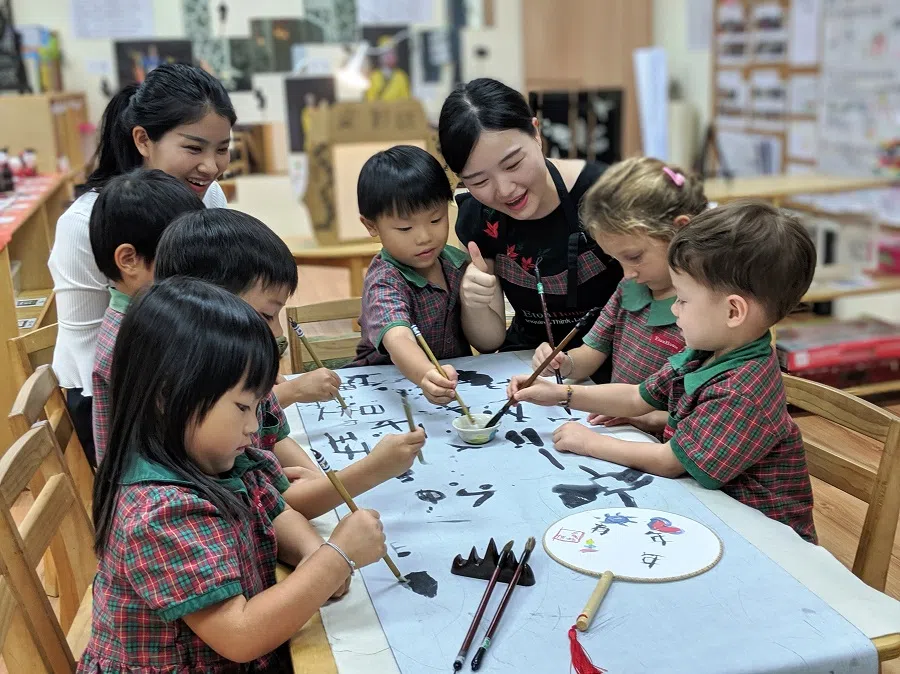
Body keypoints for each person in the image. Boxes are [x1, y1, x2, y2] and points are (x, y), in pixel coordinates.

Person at [79, 277, 388, 672]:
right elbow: (240, 635)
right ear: (167, 397)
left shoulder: (217, 453)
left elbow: (275, 513)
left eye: (260, 405)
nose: (254, 427)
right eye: (243, 407)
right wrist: (337, 558)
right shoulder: (159, 511)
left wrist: (314, 554)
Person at [508, 200, 817, 543]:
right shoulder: (705, 352)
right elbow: (636, 395)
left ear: (733, 311)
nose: (674, 308)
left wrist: (590, 442)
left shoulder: (743, 388)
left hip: (764, 536)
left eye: (683, 300)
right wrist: (560, 394)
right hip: (710, 509)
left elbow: (669, 462)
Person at [155, 209, 426, 520]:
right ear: (207, 309)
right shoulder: (206, 421)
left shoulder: (246, 388)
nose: (278, 333)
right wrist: (374, 468)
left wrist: (320, 480)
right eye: (266, 315)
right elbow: (286, 505)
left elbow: (278, 445)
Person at [49, 63, 235, 463]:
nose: (211, 166)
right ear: (143, 140)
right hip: (115, 397)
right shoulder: (84, 223)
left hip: (190, 372)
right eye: (193, 148)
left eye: (222, 149)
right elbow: (86, 353)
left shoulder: (208, 195)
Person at [440, 78, 622, 379]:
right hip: (527, 365)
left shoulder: (605, 193)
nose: (504, 190)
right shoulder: (477, 215)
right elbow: (489, 341)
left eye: (512, 164)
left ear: (536, 133)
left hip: (613, 368)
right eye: (479, 181)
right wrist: (473, 300)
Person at [529, 157, 708, 433]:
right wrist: (564, 364)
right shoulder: (630, 288)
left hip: (667, 446)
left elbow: (700, 418)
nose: (627, 273)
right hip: (624, 431)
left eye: (634, 256)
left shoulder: (707, 312)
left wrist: (643, 419)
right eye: (616, 260)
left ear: (679, 230)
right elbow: (593, 351)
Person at [351, 146, 494, 405]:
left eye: (436, 220)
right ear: (371, 226)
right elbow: (399, 338)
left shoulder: (456, 264)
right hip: (385, 389)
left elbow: (485, 340)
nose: (424, 237)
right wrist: (427, 374)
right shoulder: (384, 280)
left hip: (449, 385)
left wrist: (479, 298)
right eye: (405, 227)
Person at [89, 168, 204, 465]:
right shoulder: (137, 339)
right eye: (181, 262)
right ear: (129, 260)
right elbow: (200, 429)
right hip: (161, 496)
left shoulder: (152, 318)